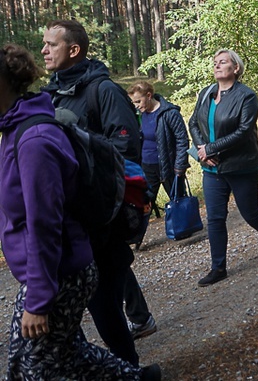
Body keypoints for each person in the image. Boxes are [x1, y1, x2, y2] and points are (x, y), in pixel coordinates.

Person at [0, 44, 160, 380]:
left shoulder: (34, 140)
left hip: (60, 274)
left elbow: (45, 225)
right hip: (53, 270)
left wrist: (38, 301)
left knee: (32, 367)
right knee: (66, 352)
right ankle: (140, 377)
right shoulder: (14, 129)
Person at [41, 20, 155, 364]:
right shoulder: (49, 94)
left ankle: (130, 370)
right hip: (65, 220)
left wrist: (75, 138)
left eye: (51, 44)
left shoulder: (103, 90)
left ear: (73, 50)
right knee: (65, 311)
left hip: (101, 219)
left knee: (104, 307)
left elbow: (125, 150)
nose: (44, 50)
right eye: (44, 44)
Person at [189, 49, 258, 287]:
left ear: (236, 68)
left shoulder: (247, 96)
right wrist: (202, 150)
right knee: (215, 219)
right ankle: (218, 267)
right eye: (215, 62)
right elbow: (193, 122)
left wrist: (211, 149)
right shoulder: (206, 92)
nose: (217, 65)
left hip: (241, 166)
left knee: (250, 213)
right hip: (211, 169)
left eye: (223, 62)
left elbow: (242, 132)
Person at [128, 81, 190, 227]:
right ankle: (137, 237)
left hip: (168, 165)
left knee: (178, 199)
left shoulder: (169, 113)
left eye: (138, 101)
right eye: (133, 102)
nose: (136, 105)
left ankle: (184, 229)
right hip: (146, 166)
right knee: (144, 203)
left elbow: (182, 140)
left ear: (149, 95)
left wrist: (180, 165)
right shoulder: (139, 115)